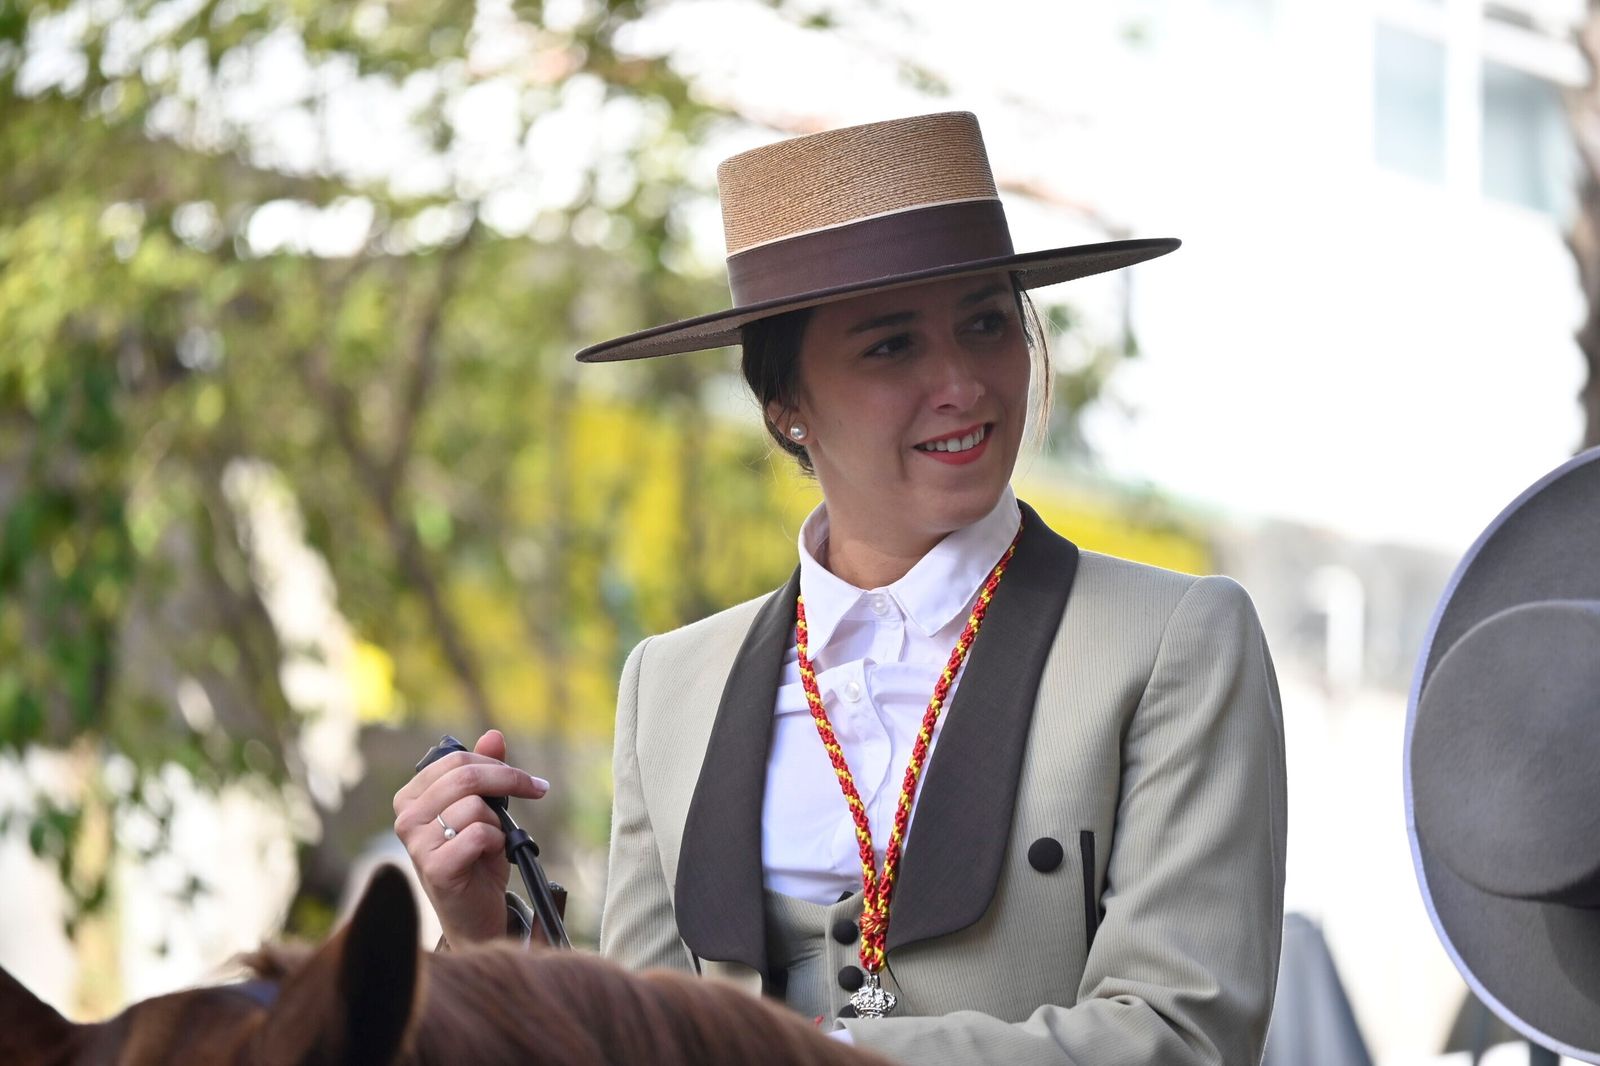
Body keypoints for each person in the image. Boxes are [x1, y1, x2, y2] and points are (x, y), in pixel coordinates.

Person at [393, 111, 1287, 1066]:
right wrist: (483, 940)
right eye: (891, 347)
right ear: (784, 404)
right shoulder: (671, 684)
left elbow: (1184, 1034)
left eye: (988, 323)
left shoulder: (1172, 640)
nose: (962, 384)